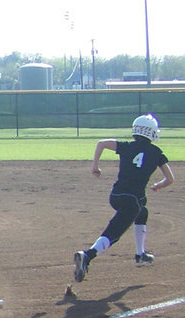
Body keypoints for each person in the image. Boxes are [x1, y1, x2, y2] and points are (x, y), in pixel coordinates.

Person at [73, 114, 174, 281]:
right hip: (132, 201)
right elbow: (170, 179)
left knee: (142, 212)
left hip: (116, 195)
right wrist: (158, 185)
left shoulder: (126, 146)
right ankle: (87, 255)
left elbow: (101, 143)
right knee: (114, 232)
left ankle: (140, 254)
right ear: (152, 132)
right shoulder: (157, 153)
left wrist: (95, 167)